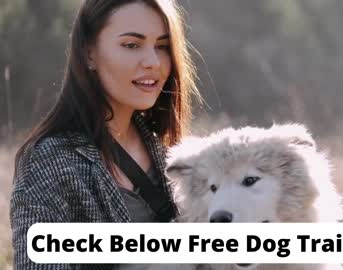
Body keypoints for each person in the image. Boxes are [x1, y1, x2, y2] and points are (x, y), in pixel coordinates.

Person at [10, 0, 200, 269]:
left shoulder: (172, 152)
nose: (152, 62)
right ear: (89, 53)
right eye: (131, 45)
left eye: (162, 46)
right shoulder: (48, 161)